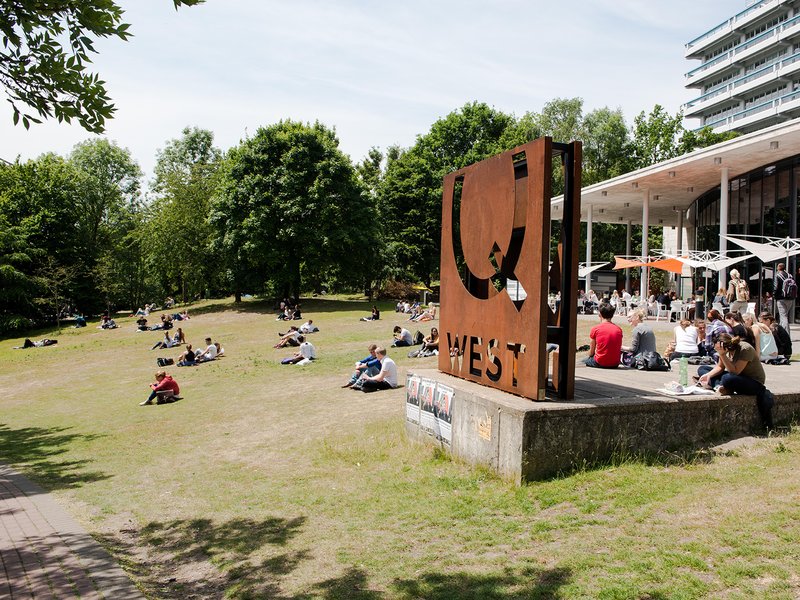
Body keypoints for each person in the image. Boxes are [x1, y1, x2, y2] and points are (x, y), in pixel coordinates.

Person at [695, 333, 773, 429]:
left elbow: (735, 371)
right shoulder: (725, 350)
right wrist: (708, 375)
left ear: (724, 346)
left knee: (727, 378)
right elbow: (720, 367)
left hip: (753, 382)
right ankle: (720, 387)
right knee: (703, 369)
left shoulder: (745, 349)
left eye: (717, 348)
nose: (716, 350)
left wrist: (722, 355)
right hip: (736, 377)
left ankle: (721, 385)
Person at [584, 303, 622, 369]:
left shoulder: (596, 329)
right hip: (615, 363)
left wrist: (590, 355)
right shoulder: (618, 329)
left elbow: (591, 351)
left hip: (600, 362)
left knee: (584, 360)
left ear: (600, 315)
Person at [774, 262, 796, 333]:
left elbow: (776, 287)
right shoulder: (790, 275)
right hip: (790, 298)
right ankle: (780, 332)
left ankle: (786, 335)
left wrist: (774, 295)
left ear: (778, 267)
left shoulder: (777, 275)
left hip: (781, 299)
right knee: (784, 316)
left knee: (783, 317)